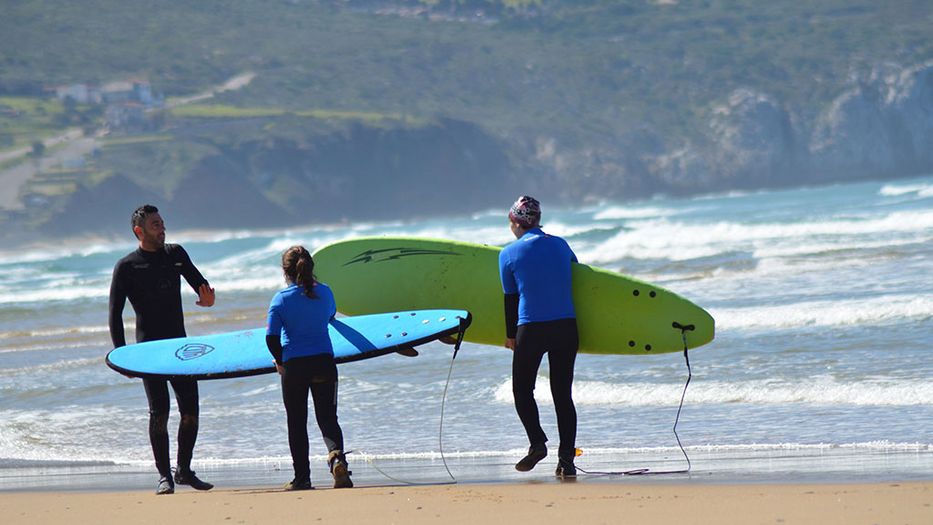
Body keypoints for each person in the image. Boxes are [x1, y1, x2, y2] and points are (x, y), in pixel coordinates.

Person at [108, 204, 216, 495]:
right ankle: (164, 476)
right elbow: (115, 314)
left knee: (191, 410)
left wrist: (207, 299)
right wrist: (122, 356)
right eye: (155, 224)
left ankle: (184, 470)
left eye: (162, 223)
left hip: (180, 348)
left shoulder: (176, 254)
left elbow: (201, 285)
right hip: (149, 352)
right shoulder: (127, 266)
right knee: (159, 412)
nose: (162, 228)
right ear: (139, 231)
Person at [498, 195, 580, 479]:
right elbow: (578, 274)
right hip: (567, 327)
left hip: (531, 328)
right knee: (562, 395)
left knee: (522, 390)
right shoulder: (560, 244)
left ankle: (537, 444)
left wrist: (510, 336)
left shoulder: (507, 254)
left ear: (514, 222)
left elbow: (510, 298)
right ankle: (566, 460)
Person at [265, 245, 353, 491]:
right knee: (327, 418)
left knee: (297, 422)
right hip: (324, 362)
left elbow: (271, 338)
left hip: (295, 367)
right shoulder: (326, 293)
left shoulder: (280, 299)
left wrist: (280, 361)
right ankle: (337, 458)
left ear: (285, 272)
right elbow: (331, 315)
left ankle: (302, 478)